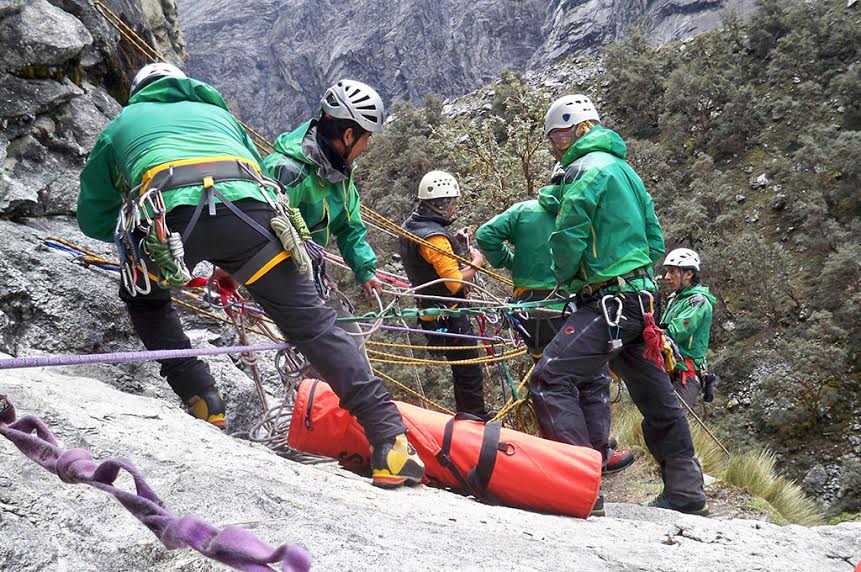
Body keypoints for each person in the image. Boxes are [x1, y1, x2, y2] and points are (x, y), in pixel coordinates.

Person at [77, 63, 424, 488]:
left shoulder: (122, 124)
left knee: (147, 303)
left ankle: (203, 398)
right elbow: (254, 170)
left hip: (171, 218)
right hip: (251, 214)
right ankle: (390, 441)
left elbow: (93, 219)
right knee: (314, 326)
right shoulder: (221, 115)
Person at [529, 94, 707, 515]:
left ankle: (576, 485)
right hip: (642, 300)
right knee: (655, 392)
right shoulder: (627, 171)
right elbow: (654, 236)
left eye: (555, 135)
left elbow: (569, 235)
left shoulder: (585, 171)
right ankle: (685, 489)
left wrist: (568, 279)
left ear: (575, 129)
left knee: (551, 376)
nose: (554, 144)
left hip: (608, 300)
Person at [475, 183, 635, 475]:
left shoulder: (523, 211)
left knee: (549, 375)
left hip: (526, 309)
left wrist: (511, 262)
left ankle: (567, 454)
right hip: (565, 306)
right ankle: (596, 455)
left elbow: (485, 235)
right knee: (591, 377)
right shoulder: (577, 213)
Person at [262, 80, 383, 358]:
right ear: (349, 135)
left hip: (310, 275)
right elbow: (263, 230)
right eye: (367, 137)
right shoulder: (288, 172)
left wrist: (366, 270)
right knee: (340, 353)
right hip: (282, 280)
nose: (367, 146)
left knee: (351, 339)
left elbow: (350, 226)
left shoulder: (339, 172)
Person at [399, 170, 489, 420]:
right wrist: (477, 263)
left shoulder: (413, 226)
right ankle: (475, 420)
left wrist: (455, 241)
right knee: (468, 371)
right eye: (452, 203)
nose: (454, 208)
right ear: (442, 204)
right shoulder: (435, 237)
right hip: (449, 316)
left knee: (461, 370)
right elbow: (452, 282)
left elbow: (430, 263)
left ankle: (470, 419)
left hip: (431, 313)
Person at [660, 248, 717, 409]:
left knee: (673, 419)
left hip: (686, 372)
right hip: (671, 368)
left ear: (688, 274)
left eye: (672, 272)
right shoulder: (676, 299)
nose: (667, 277)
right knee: (658, 418)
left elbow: (675, 332)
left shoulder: (697, 302)